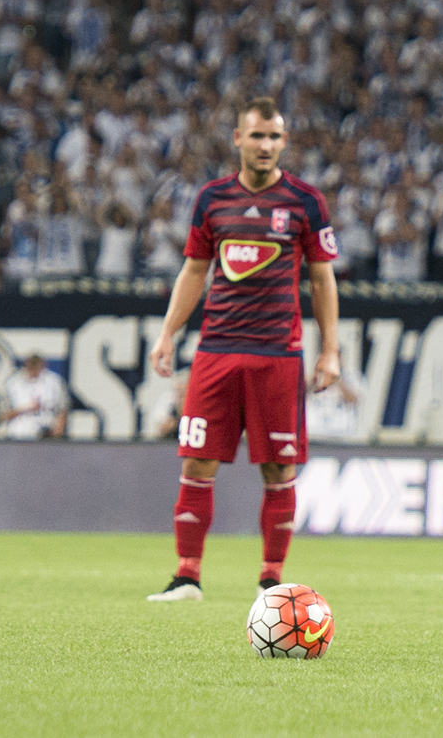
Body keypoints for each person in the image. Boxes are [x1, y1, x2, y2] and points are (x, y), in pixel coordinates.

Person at [144, 97, 341, 602]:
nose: (265, 145)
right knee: (196, 463)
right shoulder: (212, 199)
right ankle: (187, 576)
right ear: (238, 139)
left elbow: (322, 278)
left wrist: (330, 350)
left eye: (274, 137)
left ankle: (271, 581)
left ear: (284, 142)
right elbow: (194, 270)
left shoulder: (305, 201)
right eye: (257, 135)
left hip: (278, 353)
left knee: (279, 470)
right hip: (216, 350)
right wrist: (168, 333)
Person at [2, 353, 68, 439]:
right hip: (19, 435)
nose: (34, 370)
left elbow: (63, 409)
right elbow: (4, 415)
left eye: (37, 367)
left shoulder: (54, 382)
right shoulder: (13, 383)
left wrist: (58, 432)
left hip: (46, 434)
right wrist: (26, 408)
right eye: (31, 367)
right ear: (25, 365)